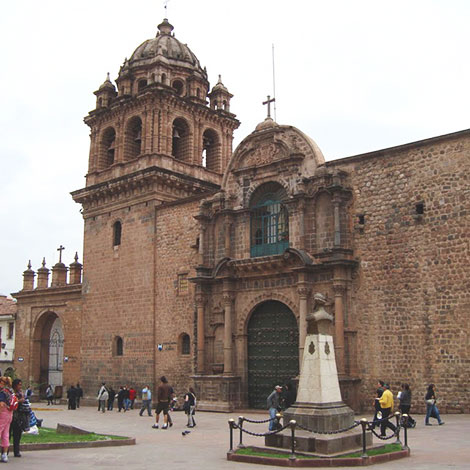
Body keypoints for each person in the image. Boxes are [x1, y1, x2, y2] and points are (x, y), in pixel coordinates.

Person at [10, 379, 27, 458]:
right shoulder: (11, 393)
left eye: (21, 385)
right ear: (15, 385)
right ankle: (4, 451)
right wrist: (19, 401)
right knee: (8, 434)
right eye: (19, 385)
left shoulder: (21, 393)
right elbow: (11, 403)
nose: (20, 386)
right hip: (11, 416)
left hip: (19, 416)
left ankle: (16, 451)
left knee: (17, 434)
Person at [0, 377, 15, 462]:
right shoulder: (10, 391)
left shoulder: (2, 392)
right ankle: (4, 455)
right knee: (6, 434)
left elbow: (1, 404)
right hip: (10, 414)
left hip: (3, 413)